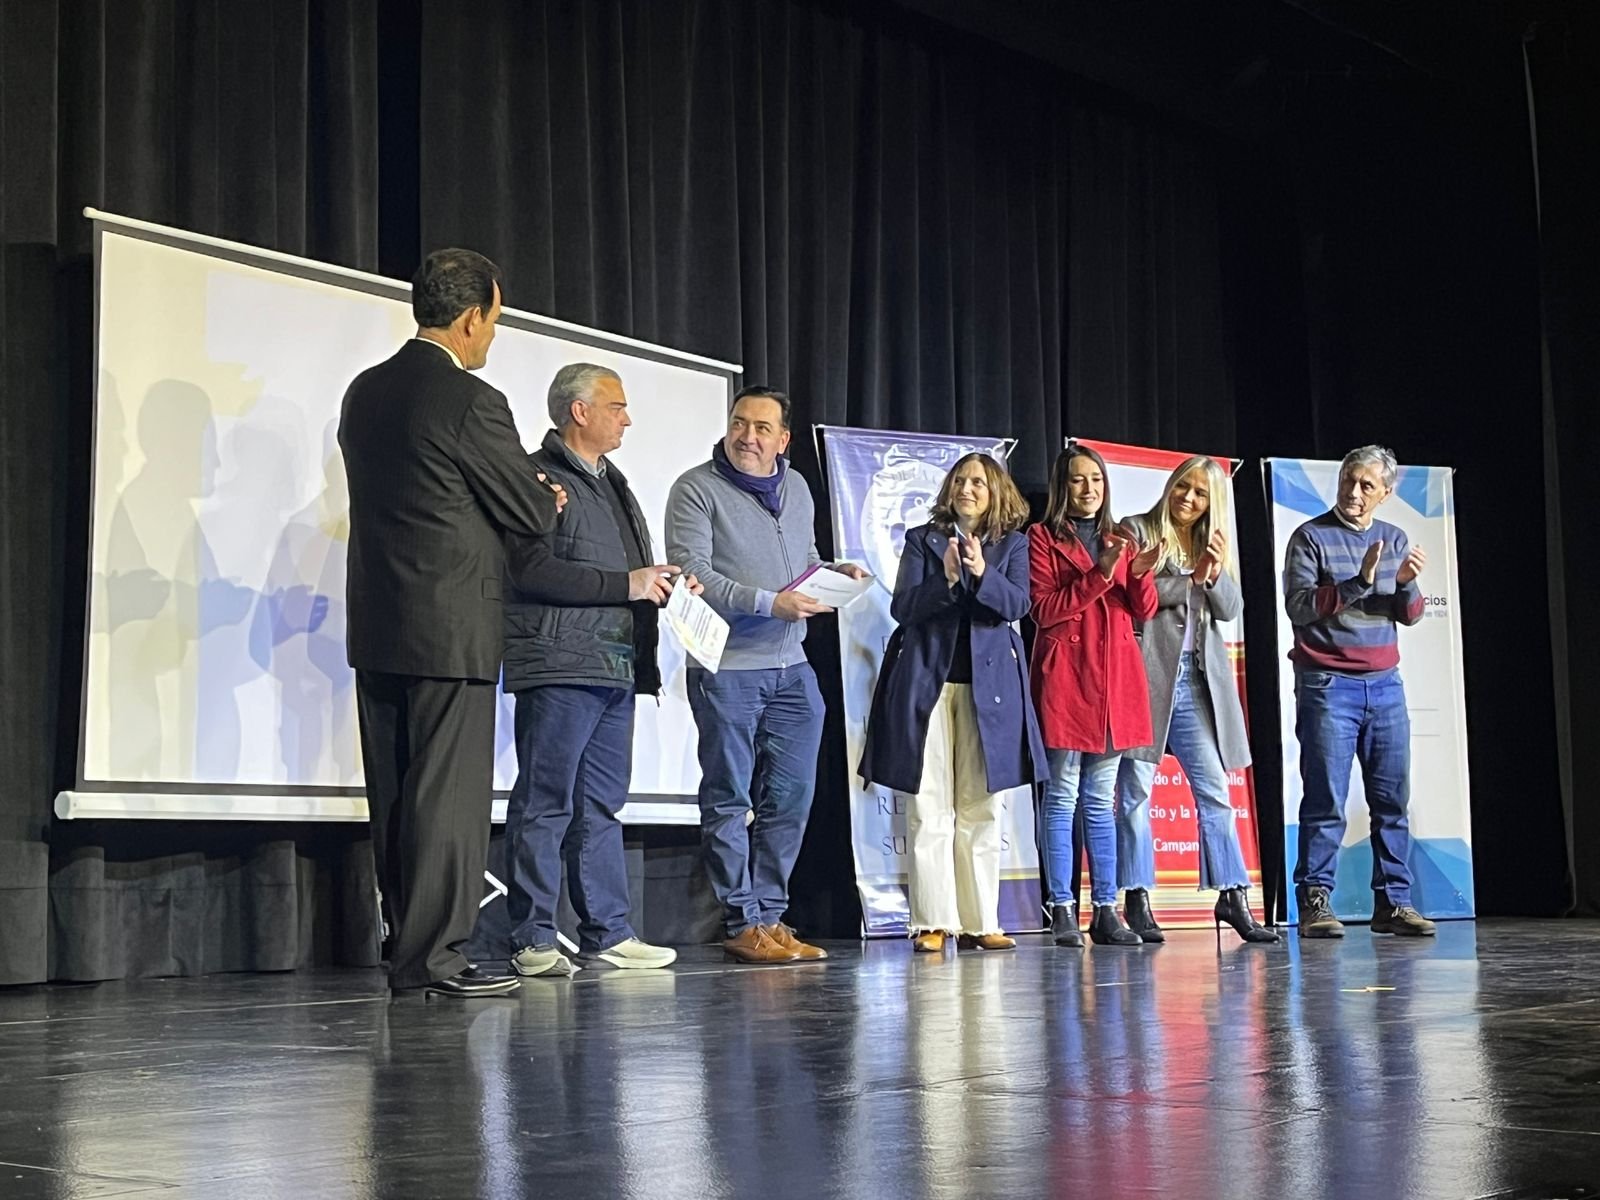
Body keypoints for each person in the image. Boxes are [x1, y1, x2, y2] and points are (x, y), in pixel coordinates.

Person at [339, 249, 566, 997]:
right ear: (471, 318)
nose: (492, 336)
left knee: (397, 795)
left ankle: (408, 951)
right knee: (447, 798)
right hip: (451, 627)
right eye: (494, 322)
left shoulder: (364, 391)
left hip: (380, 621)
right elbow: (527, 508)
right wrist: (544, 494)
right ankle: (434, 959)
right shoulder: (472, 400)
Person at [501, 364, 699, 978]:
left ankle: (607, 932)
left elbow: (622, 575)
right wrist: (627, 583)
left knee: (601, 804)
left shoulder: (612, 481)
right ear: (579, 411)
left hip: (616, 664)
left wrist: (663, 584)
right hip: (560, 664)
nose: (627, 419)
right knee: (544, 802)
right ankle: (533, 937)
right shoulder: (536, 476)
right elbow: (529, 570)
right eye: (617, 407)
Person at [665, 386, 869, 964]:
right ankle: (741, 920)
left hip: (793, 671)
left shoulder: (797, 486)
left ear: (783, 439)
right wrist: (768, 603)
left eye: (760, 428)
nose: (746, 436)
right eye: (739, 423)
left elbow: (802, 559)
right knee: (729, 797)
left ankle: (771, 916)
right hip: (728, 668)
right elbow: (694, 574)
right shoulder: (696, 488)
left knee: (791, 798)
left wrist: (833, 572)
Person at [859, 453, 1047, 953]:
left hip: (991, 691)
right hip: (929, 685)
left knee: (981, 806)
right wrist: (943, 580)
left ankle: (981, 920)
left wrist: (982, 573)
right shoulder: (923, 539)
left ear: (995, 492)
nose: (967, 489)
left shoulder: (1013, 544)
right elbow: (903, 608)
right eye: (960, 481)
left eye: (978, 483)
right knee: (928, 806)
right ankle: (932, 921)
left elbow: (1018, 605)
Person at [1114, 455, 1278, 944]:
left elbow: (1231, 609)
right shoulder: (1136, 530)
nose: (1188, 498)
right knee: (1135, 793)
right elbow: (1132, 594)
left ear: (1212, 502)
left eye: (1200, 493)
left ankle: (1233, 895)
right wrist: (1191, 580)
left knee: (1215, 792)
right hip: (1147, 679)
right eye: (1183, 487)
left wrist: (1212, 573)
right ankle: (1136, 897)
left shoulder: (1212, 542)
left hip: (1197, 682)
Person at [1284, 444, 1435, 937]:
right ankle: (1315, 901)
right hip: (1328, 685)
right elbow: (1299, 607)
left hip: (1385, 686)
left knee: (1391, 800)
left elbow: (1408, 615)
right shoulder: (1310, 537)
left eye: (1366, 485)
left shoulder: (1394, 538)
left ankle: (1394, 902)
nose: (1353, 491)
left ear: (1385, 493)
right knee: (1326, 798)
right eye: (1348, 480)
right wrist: (1359, 581)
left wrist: (1406, 583)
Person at [1029, 443, 1159, 948]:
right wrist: (1101, 572)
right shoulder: (1042, 538)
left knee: (1101, 801)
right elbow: (1045, 610)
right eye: (1078, 480)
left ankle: (1106, 909)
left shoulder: (1119, 536)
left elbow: (1142, 610)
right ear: (1063, 487)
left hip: (1114, 682)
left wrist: (1140, 572)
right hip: (1067, 680)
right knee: (1062, 798)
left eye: (1097, 480)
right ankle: (1062, 907)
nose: (1089, 489)